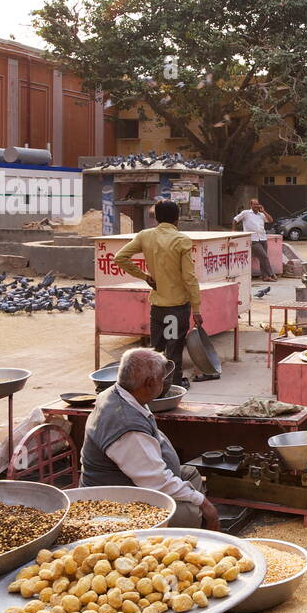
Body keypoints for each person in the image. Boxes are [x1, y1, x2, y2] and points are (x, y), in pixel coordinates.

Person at [79, 348, 220, 530]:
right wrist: (206, 506)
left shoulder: (119, 393)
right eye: (162, 379)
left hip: (133, 481)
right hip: (113, 503)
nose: (163, 383)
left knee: (191, 475)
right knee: (192, 512)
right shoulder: (127, 427)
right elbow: (156, 482)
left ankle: (199, 521)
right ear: (149, 383)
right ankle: (191, 536)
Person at [114, 200, 201, 388]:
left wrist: (144, 276)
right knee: (174, 352)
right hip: (178, 306)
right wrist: (197, 308)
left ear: (156, 217)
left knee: (156, 352)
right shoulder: (182, 240)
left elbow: (119, 257)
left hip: (157, 306)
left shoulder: (145, 236)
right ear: (177, 219)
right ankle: (174, 389)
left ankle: (153, 389)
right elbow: (189, 277)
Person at [233, 199, 277, 282]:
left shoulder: (261, 215)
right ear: (251, 205)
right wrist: (233, 230)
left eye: (257, 204)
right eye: (255, 205)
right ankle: (271, 274)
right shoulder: (246, 213)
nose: (256, 206)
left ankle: (265, 277)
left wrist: (264, 211)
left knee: (262, 258)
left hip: (263, 238)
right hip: (253, 240)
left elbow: (270, 220)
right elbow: (235, 219)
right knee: (264, 256)